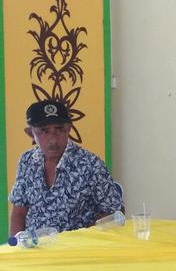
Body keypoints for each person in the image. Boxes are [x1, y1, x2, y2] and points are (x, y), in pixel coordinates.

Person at [9, 100, 123, 236]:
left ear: (69, 128)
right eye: (44, 131)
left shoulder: (90, 165)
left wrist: (86, 236)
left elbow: (116, 211)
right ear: (30, 133)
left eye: (59, 129)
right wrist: (16, 247)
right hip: (34, 250)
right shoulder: (26, 161)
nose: (53, 139)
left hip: (75, 252)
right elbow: (18, 213)